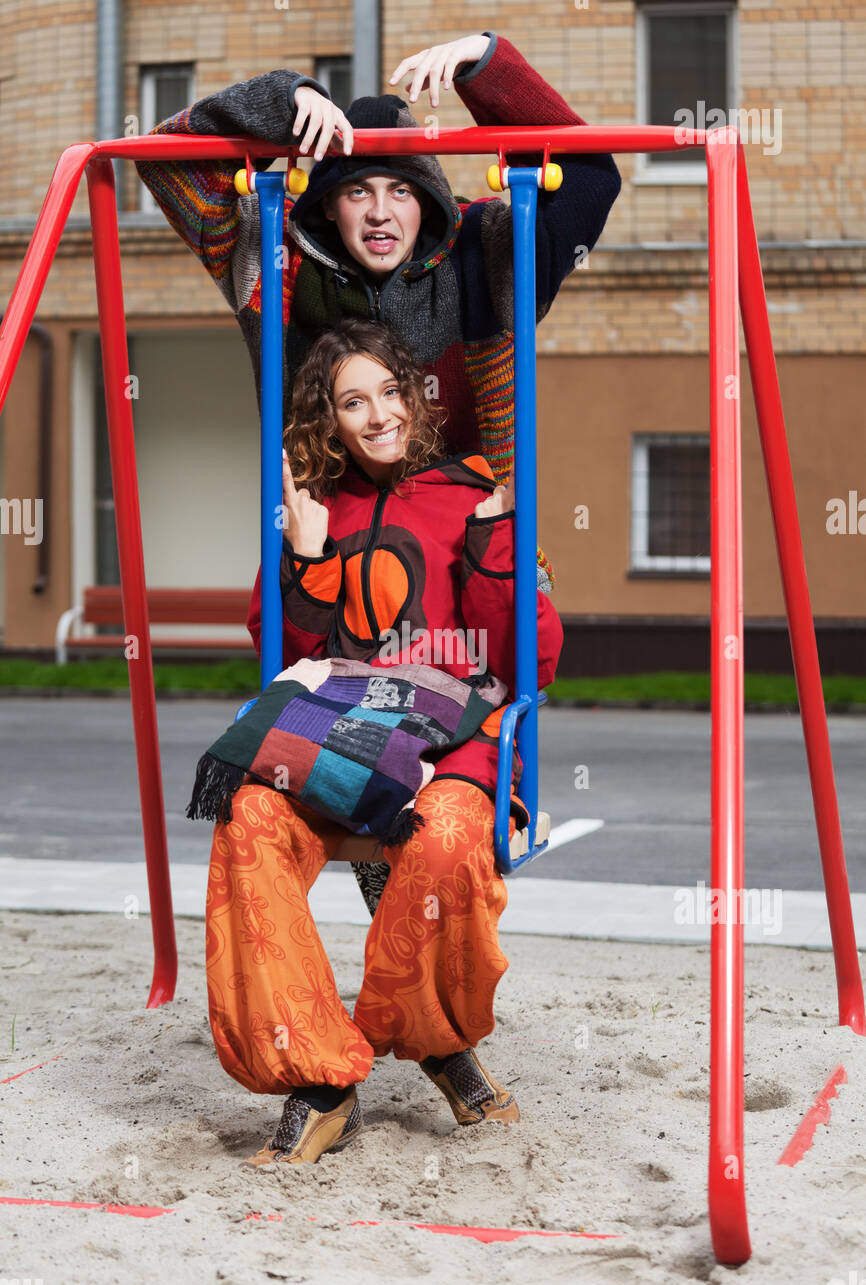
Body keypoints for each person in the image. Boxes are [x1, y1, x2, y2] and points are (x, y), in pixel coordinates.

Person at [134, 30, 619, 927]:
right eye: (358, 189)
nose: (382, 211)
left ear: (430, 198)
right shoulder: (275, 263)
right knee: (342, 743)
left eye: (402, 187)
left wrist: (487, 66)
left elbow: (592, 177)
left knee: (444, 789)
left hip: (466, 535)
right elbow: (166, 166)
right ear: (328, 207)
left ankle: (440, 931)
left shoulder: (484, 252)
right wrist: (284, 105)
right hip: (341, 535)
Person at [205, 319, 563, 1165]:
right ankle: (323, 1078)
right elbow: (284, 651)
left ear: (415, 398)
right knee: (248, 817)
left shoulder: (467, 490)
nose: (377, 416)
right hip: (341, 734)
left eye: (390, 393)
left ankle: (432, 1039)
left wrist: (496, 547)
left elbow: (532, 660)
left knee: (442, 839)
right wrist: (303, 557)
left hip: (448, 738)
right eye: (351, 402)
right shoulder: (313, 507)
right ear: (327, 420)